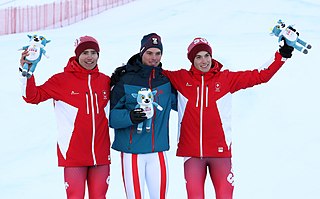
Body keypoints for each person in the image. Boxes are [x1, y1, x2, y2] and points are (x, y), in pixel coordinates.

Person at [162, 37, 294, 199]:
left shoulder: (225, 79)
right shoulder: (181, 78)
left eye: (206, 55)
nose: (204, 61)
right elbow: (150, 75)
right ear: (192, 60)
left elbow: (261, 76)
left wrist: (282, 55)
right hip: (191, 154)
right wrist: (128, 70)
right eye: (198, 57)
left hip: (221, 153)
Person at [19, 36, 111, 199]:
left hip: (101, 155)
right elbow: (32, 97)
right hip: (73, 155)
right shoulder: (61, 80)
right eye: (84, 53)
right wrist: (26, 74)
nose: (89, 57)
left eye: (93, 53)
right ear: (77, 55)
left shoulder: (105, 81)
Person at [109, 33, 177, 199]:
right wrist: (131, 116)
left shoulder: (166, 80)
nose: (154, 58)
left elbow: (184, 104)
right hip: (133, 154)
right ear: (141, 53)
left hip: (157, 152)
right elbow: (111, 118)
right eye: (149, 53)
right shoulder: (125, 79)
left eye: (158, 53)